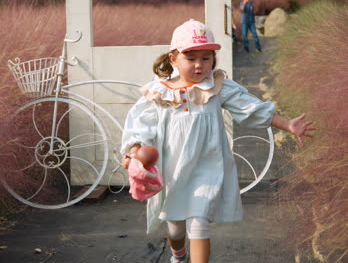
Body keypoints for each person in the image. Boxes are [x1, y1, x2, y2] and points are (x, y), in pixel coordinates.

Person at [121, 19, 315, 263]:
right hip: (173, 171)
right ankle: (178, 255)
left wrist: (287, 124)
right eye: (191, 59)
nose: (199, 65)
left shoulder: (217, 87)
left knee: (199, 224)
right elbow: (139, 126)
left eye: (206, 58)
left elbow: (251, 108)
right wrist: (134, 152)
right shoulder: (160, 92)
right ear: (173, 59)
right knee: (175, 229)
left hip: (207, 167)